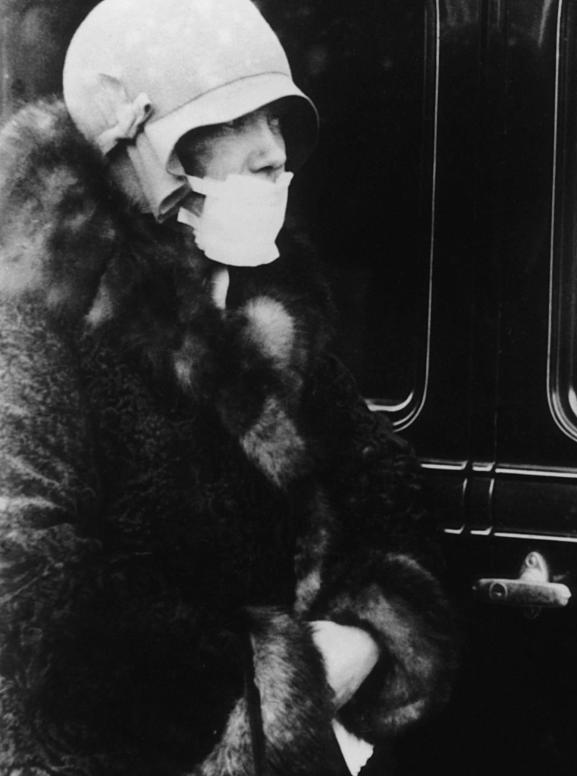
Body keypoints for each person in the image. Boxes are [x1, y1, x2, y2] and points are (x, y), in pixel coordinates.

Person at [0, 0, 456, 772]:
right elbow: (31, 586)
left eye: (281, 128)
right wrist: (276, 682)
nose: (278, 156)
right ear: (154, 157)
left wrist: (372, 629)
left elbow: (383, 482)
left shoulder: (269, 308)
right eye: (247, 126)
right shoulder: (38, 323)